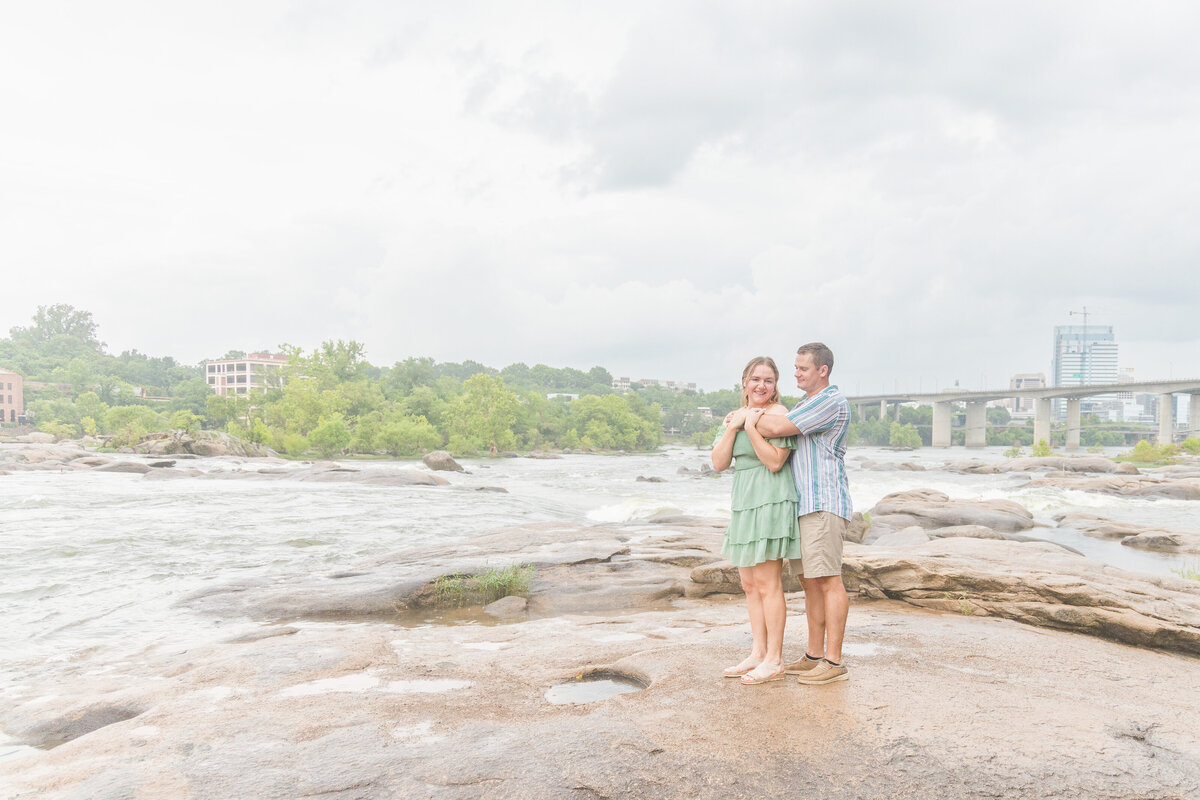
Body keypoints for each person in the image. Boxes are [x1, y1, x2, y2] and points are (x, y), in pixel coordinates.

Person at [749, 342, 852, 685]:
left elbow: (777, 429)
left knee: (828, 580)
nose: (796, 373)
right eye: (795, 368)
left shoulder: (829, 401)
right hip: (803, 506)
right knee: (810, 583)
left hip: (823, 503)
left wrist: (745, 418)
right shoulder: (804, 404)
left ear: (822, 370)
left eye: (802, 369)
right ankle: (813, 655)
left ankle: (834, 662)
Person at [711, 356, 802, 685]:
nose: (761, 385)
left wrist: (749, 425)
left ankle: (775, 659)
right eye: (755, 379)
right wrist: (735, 426)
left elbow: (776, 462)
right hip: (744, 504)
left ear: (776, 385)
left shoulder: (779, 416)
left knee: (767, 584)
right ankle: (758, 652)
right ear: (744, 383)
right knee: (749, 585)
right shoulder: (735, 417)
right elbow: (719, 463)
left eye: (768, 380)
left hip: (770, 500)